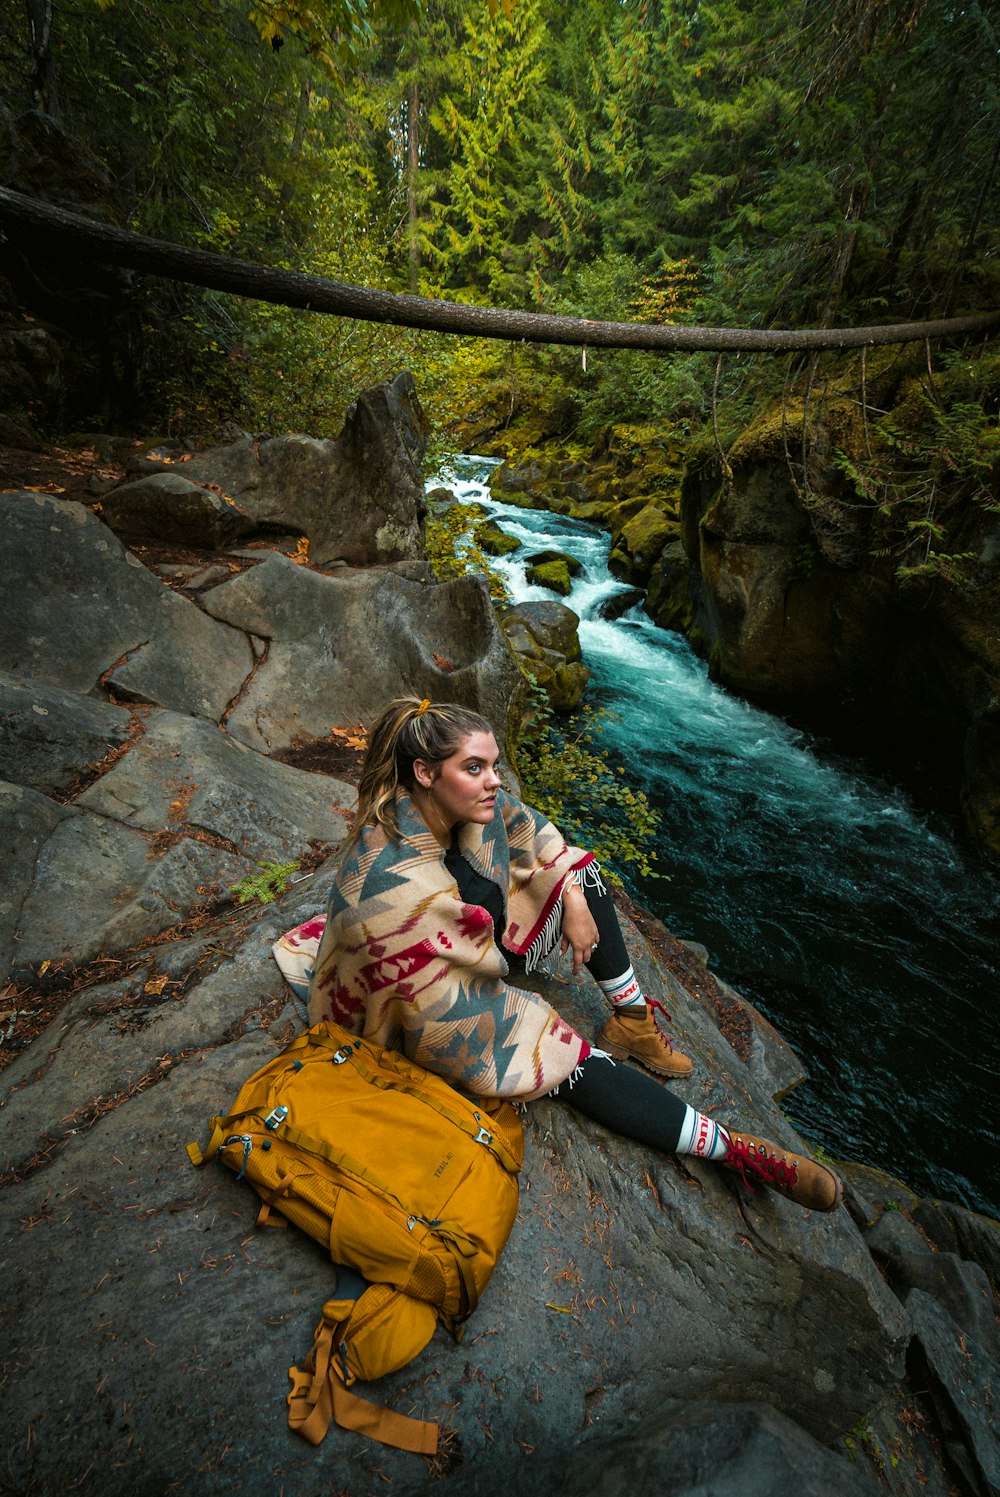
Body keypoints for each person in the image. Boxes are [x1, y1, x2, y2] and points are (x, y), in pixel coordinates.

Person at [298, 696, 842, 1213]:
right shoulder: (394, 885)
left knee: (581, 870)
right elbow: (428, 1006)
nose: (493, 781)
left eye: (493, 765)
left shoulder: (463, 806)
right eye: (474, 768)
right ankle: (731, 1150)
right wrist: (524, 1018)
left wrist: (574, 894)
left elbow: (537, 836)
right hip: (416, 1002)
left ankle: (632, 1019)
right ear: (424, 773)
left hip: (471, 944)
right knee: (563, 1059)